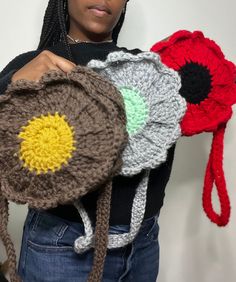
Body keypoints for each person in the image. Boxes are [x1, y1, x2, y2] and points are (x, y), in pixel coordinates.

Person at [0, 0, 176, 281]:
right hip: (61, 247)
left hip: (143, 242)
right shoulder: (34, 66)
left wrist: (174, 69)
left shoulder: (146, 67)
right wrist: (9, 84)